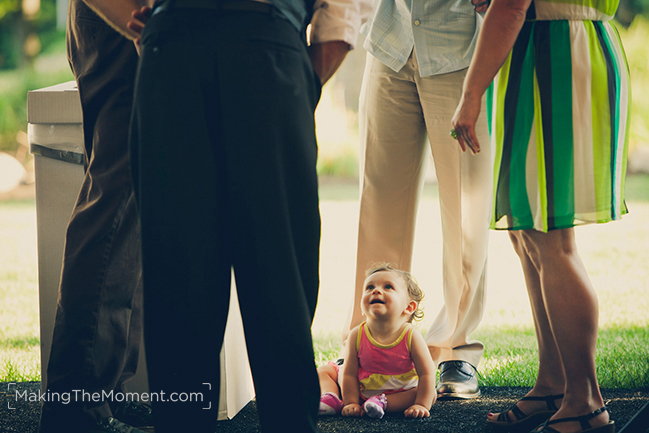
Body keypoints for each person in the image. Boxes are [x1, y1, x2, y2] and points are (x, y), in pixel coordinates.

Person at [73, 0, 369, 432]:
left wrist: (145, 27)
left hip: (176, 46)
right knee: (278, 276)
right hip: (258, 43)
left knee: (181, 285)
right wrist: (307, 70)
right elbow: (343, 10)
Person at [451, 0, 629, 431]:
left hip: (554, 55)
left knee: (550, 238)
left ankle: (586, 402)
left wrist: (470, 93)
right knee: (528, 232)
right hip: (546, 50)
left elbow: (512, 5)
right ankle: (554, 385)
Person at [345, 0, 493, 399]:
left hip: (462, 49)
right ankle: (367, 345)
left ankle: (454, 347)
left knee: (465, 211)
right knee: (379, 203)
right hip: (392, 45)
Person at [39, 1, 152, 432]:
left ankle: (103, 393)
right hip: (124, 20)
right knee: (114, 206)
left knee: (132, 210)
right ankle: (77, 408)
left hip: (126, 22)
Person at [318, 264, 436, 419]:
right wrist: (351, 402)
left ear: (409, 307)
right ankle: (331, 398)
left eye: (388, 287)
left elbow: (427, 373)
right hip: (361, 387)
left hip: (399, 391)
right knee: (324, 371)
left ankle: (383, 403)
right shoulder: (357, 335)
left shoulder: (411, 336)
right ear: (361, 306)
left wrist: (421, 404)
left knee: (429, 393)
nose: (376, 290)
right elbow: (349, 374)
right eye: (370, 287)